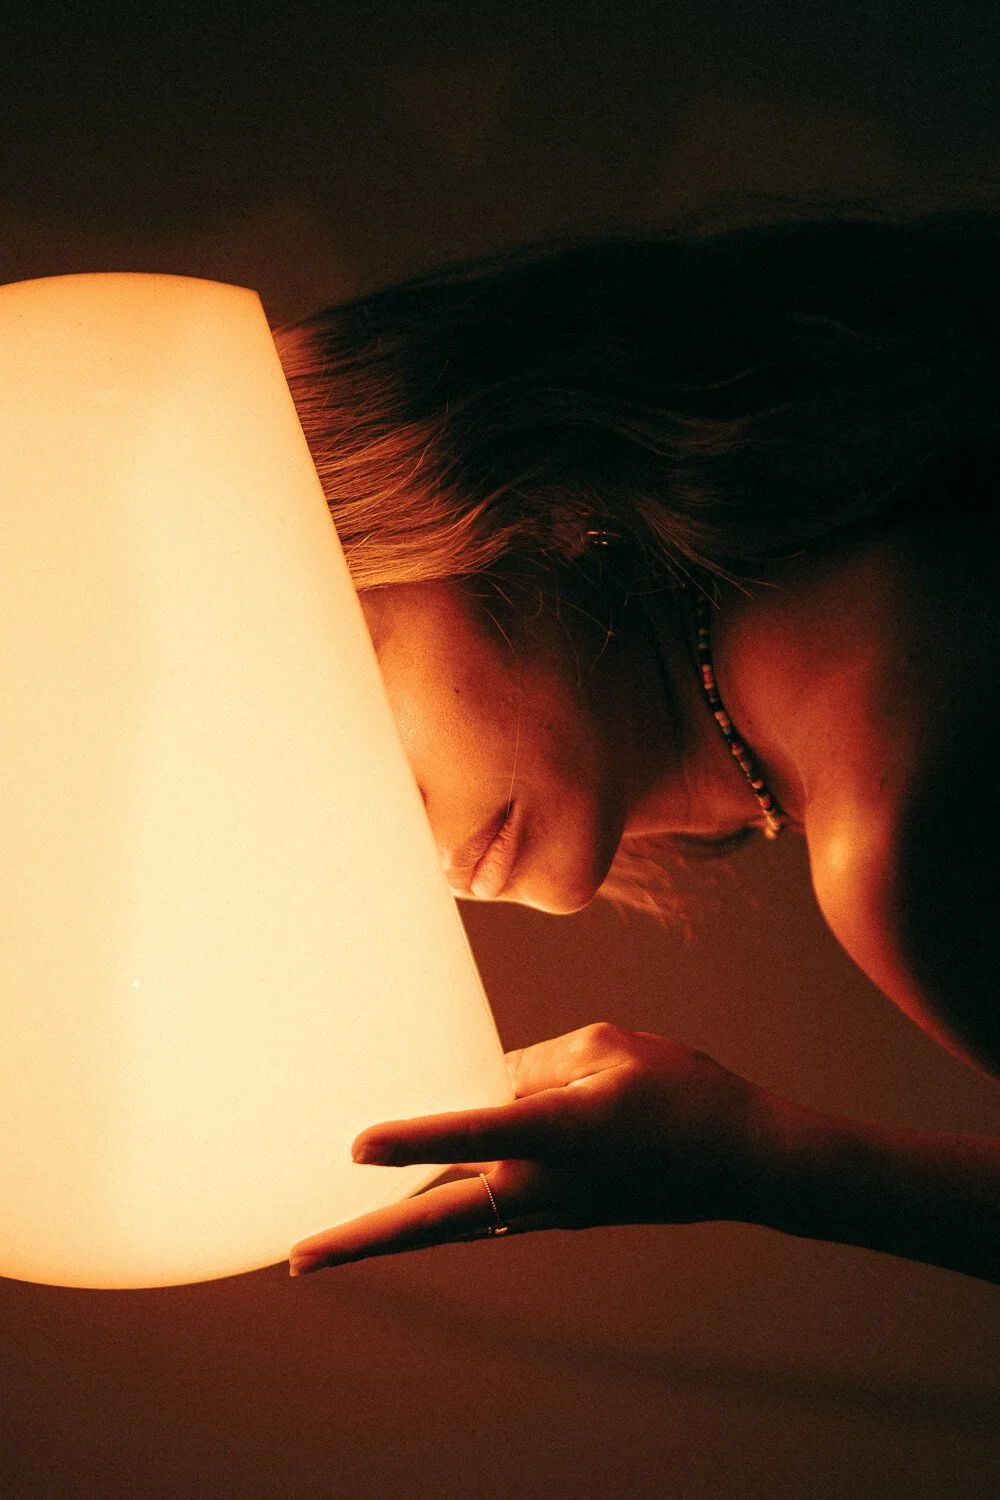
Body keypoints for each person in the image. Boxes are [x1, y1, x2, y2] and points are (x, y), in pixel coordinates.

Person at [276, 202, 1000, 1284]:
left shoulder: (909, 822)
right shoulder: (900, 579)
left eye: (352, 703)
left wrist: (757, 1162)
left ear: (500, 495)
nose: (384, 835)